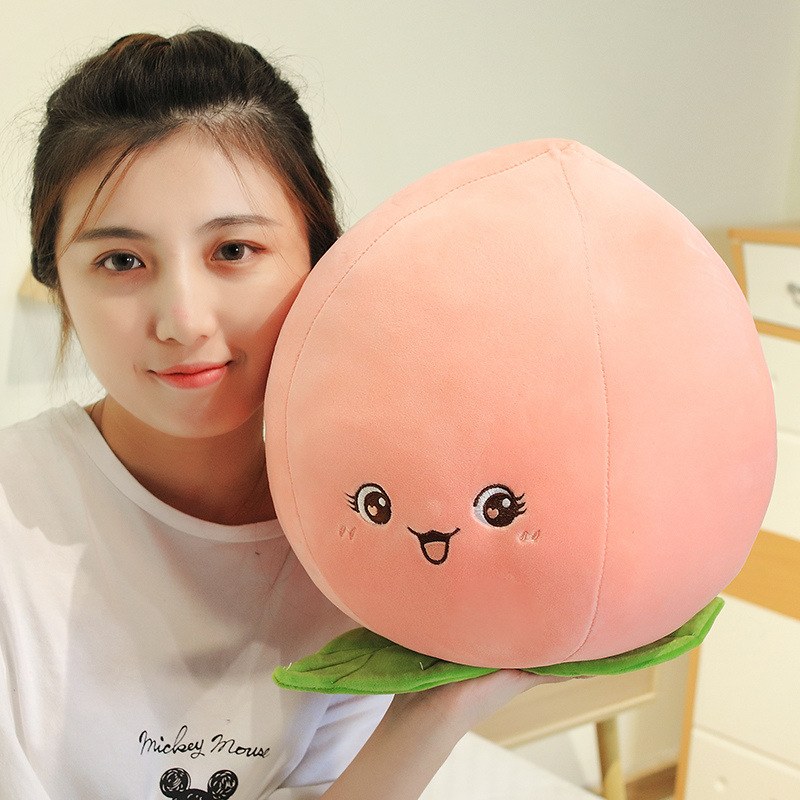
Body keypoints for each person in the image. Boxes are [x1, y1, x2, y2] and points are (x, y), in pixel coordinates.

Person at [1, 30, 566, 799]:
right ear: (59, 283)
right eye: (121, 261)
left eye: (233, 250)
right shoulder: (16, 517)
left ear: (318, 258)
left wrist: (434, 711)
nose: (183, 321)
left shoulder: (365, 531)